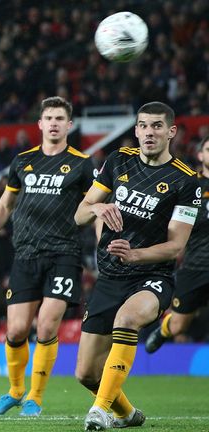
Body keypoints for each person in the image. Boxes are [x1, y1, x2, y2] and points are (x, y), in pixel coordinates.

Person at [73, 102, 200, 430]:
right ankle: (127, 414)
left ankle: (99, 411)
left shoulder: (187, 182)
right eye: (143, 126)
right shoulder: (118, 160)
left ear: (171, 132)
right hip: (111, 276)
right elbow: (80, 213)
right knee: (86, 373)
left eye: (157, 126)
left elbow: (176, 245)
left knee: (127, 319)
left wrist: (137, 255)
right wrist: (98, 209)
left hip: (152, 276)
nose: (148, 132)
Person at [0, 96, 95, 417]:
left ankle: (35, 398)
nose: (54, 123)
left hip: (64, 254)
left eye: (60, 119)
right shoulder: (22, 162)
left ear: (69, 125)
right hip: (25, 255)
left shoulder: (82, 164)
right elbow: (4, 206)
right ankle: (14, 391)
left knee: (46, 326)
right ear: (40, 124)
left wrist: (103, 244)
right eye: (48, 118)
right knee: (14, 331)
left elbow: (94, 209)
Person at [145, 136, 209, 353]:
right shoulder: (191, 185)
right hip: (195, 268)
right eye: (208, 149)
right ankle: (164, 330)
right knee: (179, 324)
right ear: (200, 155)